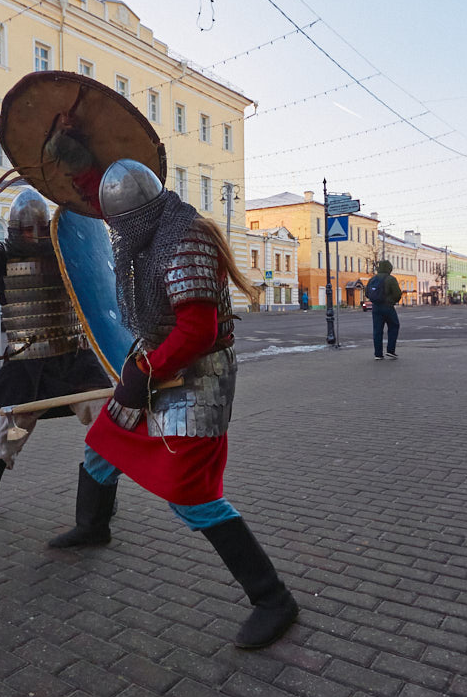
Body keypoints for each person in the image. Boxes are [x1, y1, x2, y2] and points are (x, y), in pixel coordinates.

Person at [49, 160, 299, 650]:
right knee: (100, 448)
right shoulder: (145, 234)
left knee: (192, 494)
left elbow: (197, 331)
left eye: (118, 220)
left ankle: (273, 599)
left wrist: (142, 375)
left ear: (138, 214)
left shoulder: (186, 238)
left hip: (196, 373)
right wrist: (76, 166)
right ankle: (92, 526)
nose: (115, 231)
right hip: (153, 360)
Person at [0, 178, 110, 531]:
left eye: (38, 229)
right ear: (15, 228)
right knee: (2, 435)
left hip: (74, 357)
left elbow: (103, 275)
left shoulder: (69, 251)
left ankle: (100, 505)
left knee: (108, 426)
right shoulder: (2, 256)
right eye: (25, 229)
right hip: (26, 364)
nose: (33, 236)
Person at [366, 260, 401, 360]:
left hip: (376, 307)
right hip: (388, 307)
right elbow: (397, 294)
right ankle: (390, 350)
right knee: (394, 326)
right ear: (389, 268)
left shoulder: (372, 279)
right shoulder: (391, 279)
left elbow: (367, 293)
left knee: (377, 330)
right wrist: (392, 301)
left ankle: (378, 354)